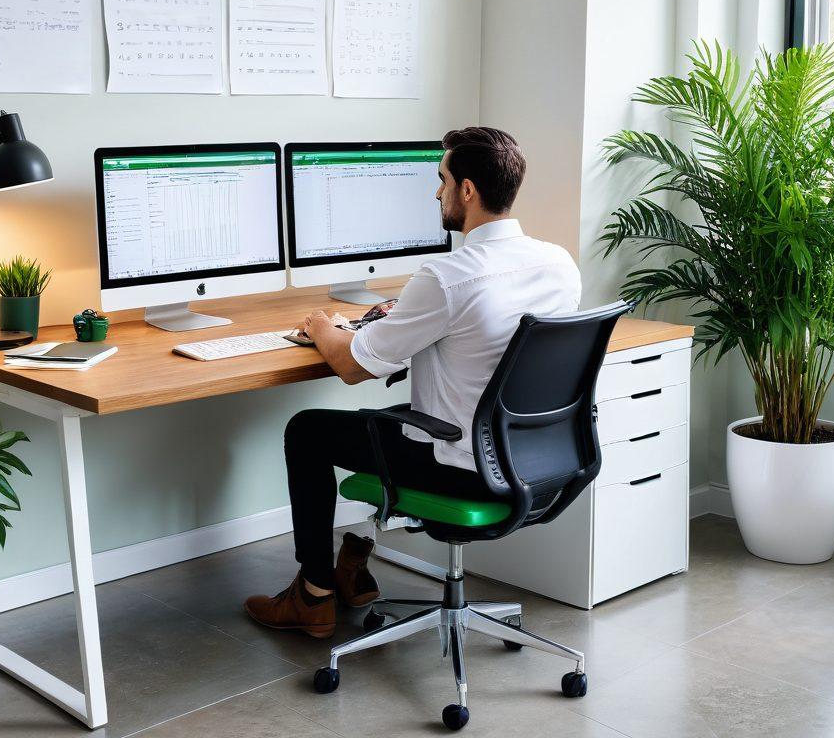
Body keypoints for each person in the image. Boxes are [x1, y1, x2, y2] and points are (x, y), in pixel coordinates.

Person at [243, 127, 581, 638]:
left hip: (464, 468)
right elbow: (490, 342)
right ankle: (351, 564)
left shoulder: (447, 277)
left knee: (307, 429)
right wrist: (408, 321)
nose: (436, 192)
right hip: (535, 462)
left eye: (441, 180)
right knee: (377, 422)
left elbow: (354, 367)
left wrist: (321, 328)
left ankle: (313, 595)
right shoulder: (558, 263)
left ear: (467, 190)